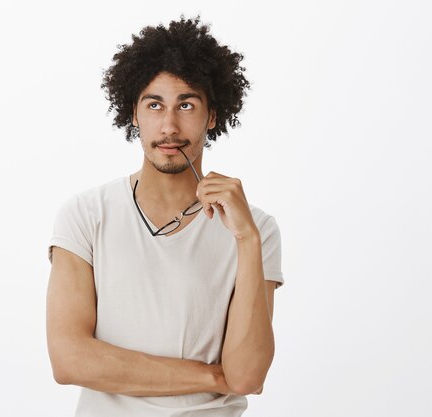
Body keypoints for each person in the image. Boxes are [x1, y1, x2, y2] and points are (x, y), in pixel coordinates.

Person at [46, 15, 284, 417]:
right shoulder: (86, 216)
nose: (169, 126)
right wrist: (211, 377)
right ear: (134, 114)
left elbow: (246, 376)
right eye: (154, 105)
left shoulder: (256, 228)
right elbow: (69, 360)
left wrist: (246, 240)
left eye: (186, 105)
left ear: (212, 115)